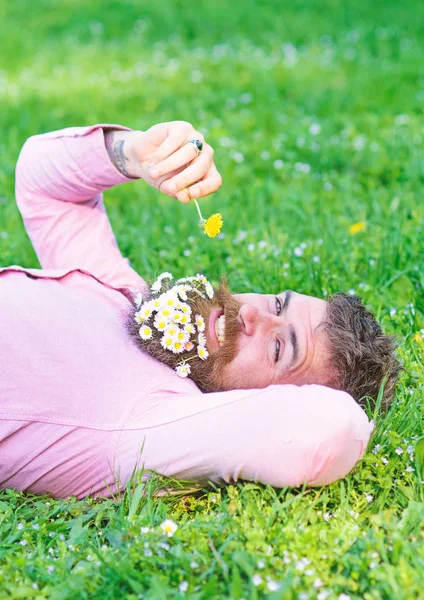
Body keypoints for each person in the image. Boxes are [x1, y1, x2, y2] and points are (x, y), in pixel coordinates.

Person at [0, 120, 399, 499]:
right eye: (278, 302)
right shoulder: (133, 302)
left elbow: (326, 428)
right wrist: (137, 153)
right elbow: (44, 186)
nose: (251, 315)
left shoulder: (149, 425)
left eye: (279, 348)